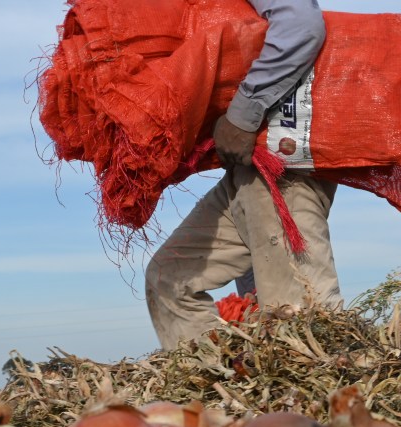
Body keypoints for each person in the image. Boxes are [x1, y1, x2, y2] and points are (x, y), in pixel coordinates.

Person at [144, 0, 343, 351]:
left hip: (281, 169)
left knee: (296, 326)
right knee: (170, 280)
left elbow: (300, 25)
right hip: (244, 174)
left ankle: (316, 385)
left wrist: (243, 114)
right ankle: (215, 380)